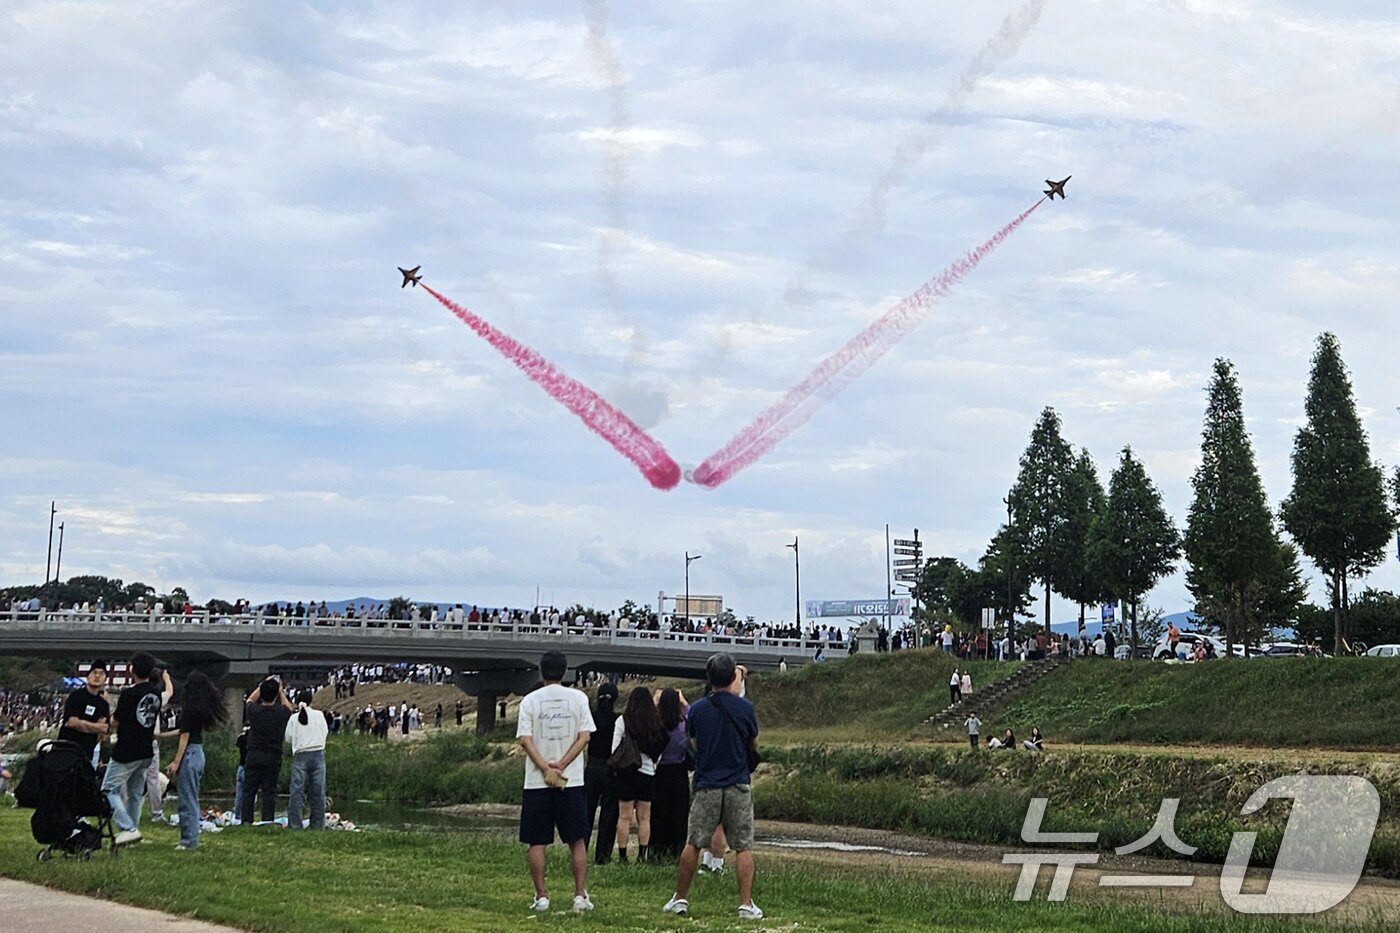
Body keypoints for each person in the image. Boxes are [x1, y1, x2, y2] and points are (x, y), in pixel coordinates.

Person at [663, 652, 762, 921]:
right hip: (738, 781)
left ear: (709, 678)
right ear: (733, 677)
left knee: (694, 842)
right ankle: (745, 904)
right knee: (743, 846)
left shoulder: (697, 709)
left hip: (706, 782)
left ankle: (680, 898)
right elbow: (753, 743)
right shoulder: (746, 709)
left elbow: (693, 743)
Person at [516, 651, 595, 913]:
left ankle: (541, 897)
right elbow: (584, 737)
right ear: (565, 671)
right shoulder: (579, 698)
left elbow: (525, 740)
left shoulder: (530, 700)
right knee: (577, 840)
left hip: (537, 782)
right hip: (570, 780)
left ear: (541, 671)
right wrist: (562, 764)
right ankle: (579, 896)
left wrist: (544, 766)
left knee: (537, 841)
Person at [101, 652, 173, 846]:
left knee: (108, 790)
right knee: (135, 794)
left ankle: (128, 828)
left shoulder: (129, 694)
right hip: (146, 750)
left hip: (126, 749)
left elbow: (115, 721)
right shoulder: (156, 694)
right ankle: (133, 835)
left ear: (132, 670)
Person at [165, 671, 227, 850]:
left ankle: (189, 841)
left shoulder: (188, 709)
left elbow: (184, 736)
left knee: (187, 800)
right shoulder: (200, 710)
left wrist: (176, 761)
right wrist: (159, 736)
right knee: (192, 798)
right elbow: (184, 731)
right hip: (198, 753)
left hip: (189, 755)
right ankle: (190, 838)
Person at [613, 686, 668, 863]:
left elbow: (614, 749)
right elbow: (660, 751)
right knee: (644, 817)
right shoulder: (655, 722)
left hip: (626, 773)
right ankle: (642, 855)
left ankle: (622, 856)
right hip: (647, 772)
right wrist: (652, 763)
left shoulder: (623, 720)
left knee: (624, 816)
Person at [240, 678, 293, 825]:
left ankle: (246, 821)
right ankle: (267, 820)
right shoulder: (281, 712)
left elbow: (250, 700)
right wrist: (280, 691)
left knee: (249, 790)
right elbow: (288, 707)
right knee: (269, 791)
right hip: (273, 754)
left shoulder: (254, 711)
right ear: (276, 695)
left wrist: (262, 685)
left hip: (254, 753)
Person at [650, 687, 691, 861]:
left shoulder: (656, 724)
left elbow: (645, 720)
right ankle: (676, 850)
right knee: (679, 813)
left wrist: (655, 701)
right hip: (679, 771)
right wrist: (684, 702)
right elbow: (694, 717)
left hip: (659, 771)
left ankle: (656, 850)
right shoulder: (683, 725)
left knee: (658, 813)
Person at [584, 683, 620, 864]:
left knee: (587, 811)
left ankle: (581, 850)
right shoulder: (617, 720)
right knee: (609, 812)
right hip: (610, 769)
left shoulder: (591, 717)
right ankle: (602, 856)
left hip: (591, 768)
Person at [285, 701, 330, 830]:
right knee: (318, 792)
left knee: (296, 791)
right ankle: (317, 825)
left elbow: (288, 737)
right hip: (318, 753)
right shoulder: (319, 714)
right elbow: (325, 731)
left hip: (301, 754)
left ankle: (294, 824)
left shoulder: (294, 718)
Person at [57, 664, 110, 766]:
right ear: (88, 676)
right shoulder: (76, 696)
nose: (97, 676)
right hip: (66, 749)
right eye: (94, 672)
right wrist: (95, 727)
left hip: (87, 752)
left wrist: (81, 724)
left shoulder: (103, 704)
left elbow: (103, 728)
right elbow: (72, 722)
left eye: (101, 674)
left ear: (105, 679)